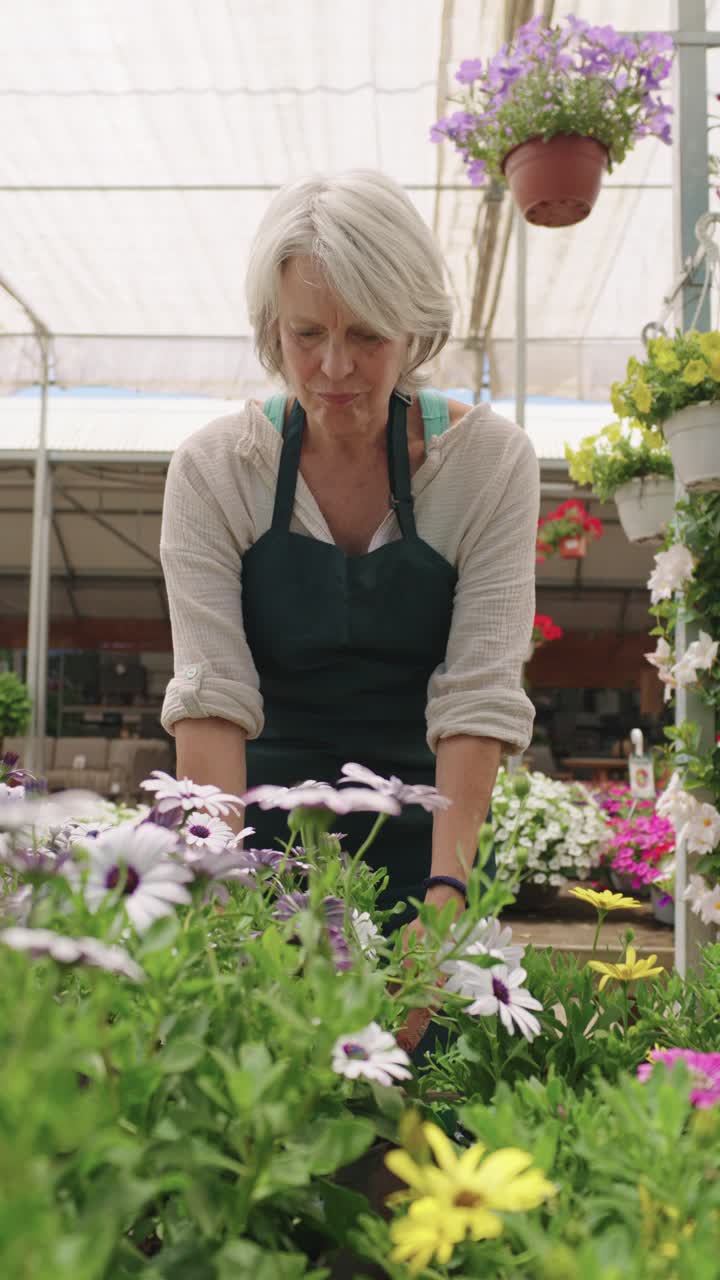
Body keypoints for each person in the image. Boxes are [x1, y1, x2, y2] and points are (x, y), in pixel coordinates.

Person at [159, 170, 539, 1049]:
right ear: (272, 331)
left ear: (414, 327)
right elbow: (212, 702)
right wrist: (224, 900)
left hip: (428, 836)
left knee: (430, 1125)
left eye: (368, 334)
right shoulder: (218, 471)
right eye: (307, 334)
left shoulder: (486, 465)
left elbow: (478, 696)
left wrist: (446, 905)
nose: (335, 367)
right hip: (262, 842)